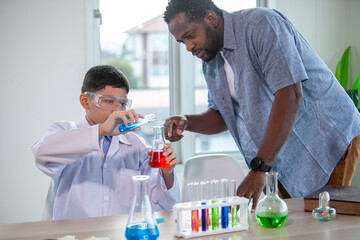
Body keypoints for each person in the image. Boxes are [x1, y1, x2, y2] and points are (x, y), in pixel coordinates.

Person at [163, 0, 360, 209]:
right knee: (294, 226)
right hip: (279, 157)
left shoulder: (261, 25)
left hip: (325, 139)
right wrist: (187, 122)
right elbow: (223, 116)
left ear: (211, 19)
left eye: (190, 36)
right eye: (181, 42)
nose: (188, 47)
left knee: (324, 224)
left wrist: (260, 168)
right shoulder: (211, 63)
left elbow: (290, 94)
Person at [32, 65, 180, 220]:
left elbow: (160, 208)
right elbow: (41, 153)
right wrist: (102, 130)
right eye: (109, 101)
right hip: (73, 236)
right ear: (85, 101)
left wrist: (167, 173)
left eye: (122, 104)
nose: (117, 111)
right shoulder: (65, 131)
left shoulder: (136, 145)